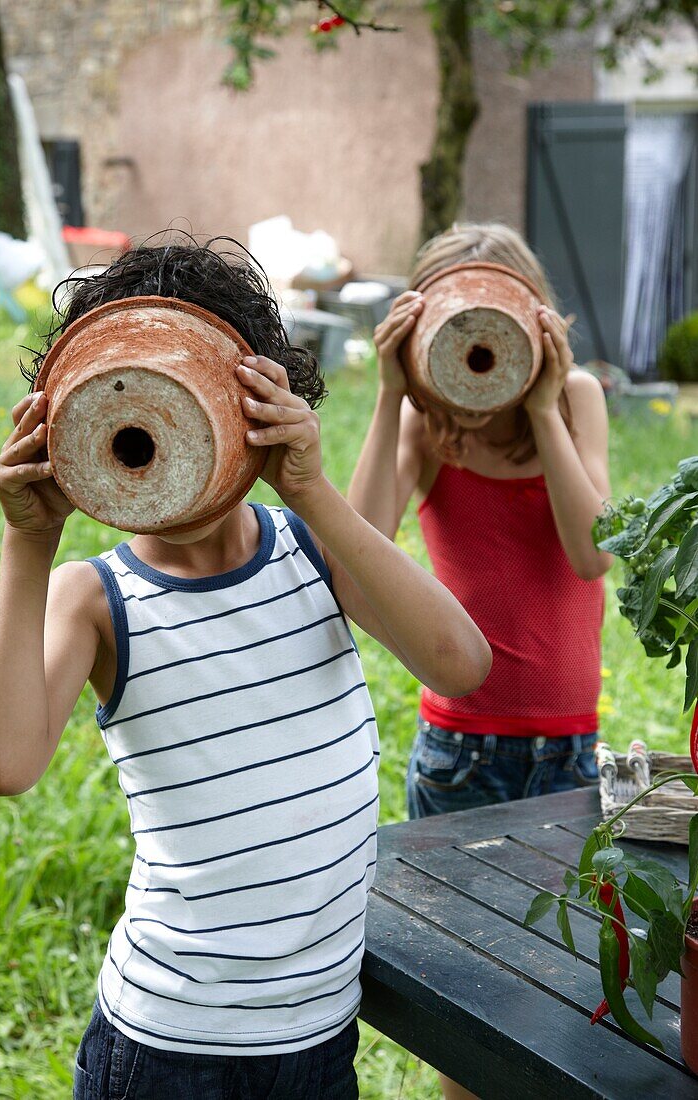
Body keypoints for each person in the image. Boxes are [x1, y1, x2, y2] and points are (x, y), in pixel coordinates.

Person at [0, 240, 491, 1100]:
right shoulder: (95, 599)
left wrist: (312, 489)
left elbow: (460, 662)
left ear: (264, 397)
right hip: (169, 1044)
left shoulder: (313, 551)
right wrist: (29, 540)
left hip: (318, 1037)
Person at [347, 223, 611, 1099]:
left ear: (536, 326)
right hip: (459, 751)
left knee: (560, 984)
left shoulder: (572, 400)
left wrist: (541, 403)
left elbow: (592, 553)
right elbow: (360, 546)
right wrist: (390, 399)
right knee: (469, 1003)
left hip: (566, 749)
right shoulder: (427, 429)